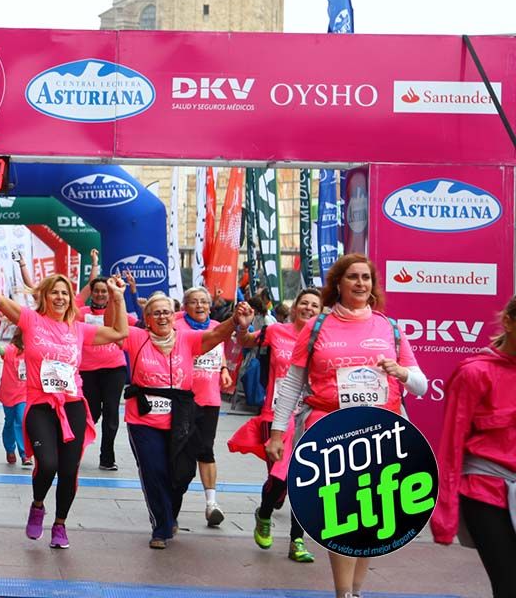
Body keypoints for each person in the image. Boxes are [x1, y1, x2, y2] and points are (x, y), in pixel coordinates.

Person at [267, 254, 428, 598]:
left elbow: (421, 384)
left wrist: (401, 373)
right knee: (341, 514)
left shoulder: (390, 327)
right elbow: (293, 384)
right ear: (338, 283)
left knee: (374, 515)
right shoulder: (317, 327)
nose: (360, 283)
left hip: (382, 432)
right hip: (330, 430)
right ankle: (343, 593)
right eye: (352, 276)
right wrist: (278, 434)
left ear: (373, 285)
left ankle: (355, 590)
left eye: (366, 277)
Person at [0, 265, 129, 550]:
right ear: (44, 297)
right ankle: (38, 505)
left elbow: (120, 332)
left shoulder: (80, 329)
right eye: (54, 293)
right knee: (47, 464)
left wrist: (118, 297)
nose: (60, 297)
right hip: (40, 405)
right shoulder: (31, 320)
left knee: (69, 471)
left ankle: (60, 524)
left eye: (64, 293)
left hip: (72, 405)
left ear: (71, 299)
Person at [125, 290, 251, 549]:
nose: (162, 317)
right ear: (147, 318)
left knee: (182, 472)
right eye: (156, 312)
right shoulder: (137, 337)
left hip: (181, 411)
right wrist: (117, 298)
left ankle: (169, 511)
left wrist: (235, 319)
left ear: (174, 316)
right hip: (143, 416)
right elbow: (113, 326)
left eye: (167, 312)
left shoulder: (187, 338)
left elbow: (216, 335)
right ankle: (161, 527)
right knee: (154, 470)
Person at [227, 288, 321, 563]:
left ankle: (297, 540)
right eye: (304, 303)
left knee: (305, 481)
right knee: (281, 478)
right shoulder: (276, 331)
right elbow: (245, 343)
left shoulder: (326, 338)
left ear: (321, 311)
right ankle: (265, 513)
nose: (308, 308)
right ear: (294, 308)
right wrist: (242, 327)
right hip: (276, 416)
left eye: (315, 305)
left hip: (311, 415)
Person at [432, 294, 516, 598]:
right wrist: (445, 516)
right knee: (508, 585)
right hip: (486, 492)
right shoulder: (474, 374)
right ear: (508, 321)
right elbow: (451, 449)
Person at [75, 250, 137, 472]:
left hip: (114, 369)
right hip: (87, 370)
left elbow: (139, 324)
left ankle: (107, 457)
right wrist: (94, 264)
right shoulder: (81, 313)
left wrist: (133, 292)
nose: (101, 294)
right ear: (92, 293)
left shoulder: (121, 312)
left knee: (111, 412)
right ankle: (76, 451)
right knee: (91, 413)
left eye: (105, 291)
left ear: (110, 293)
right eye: (97, 291)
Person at [176, 286, 233, 525]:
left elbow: (218, 349)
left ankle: (211, 505)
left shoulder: (215, 328)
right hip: (183, 399)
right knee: (180, 455)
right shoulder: (178, 327)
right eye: (194, 302)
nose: (200, 306)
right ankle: (171, 509)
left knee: (206, 450)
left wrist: (223, 369)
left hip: (210, 399)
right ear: (185, 306)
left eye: (204, 302)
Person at [0, 326, 31, 467]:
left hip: (25, 393)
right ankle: (10, 449)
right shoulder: (11, 350)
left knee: (21, 420)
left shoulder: (34, 351)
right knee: (9, 422)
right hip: (8, 393)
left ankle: (24, 454)